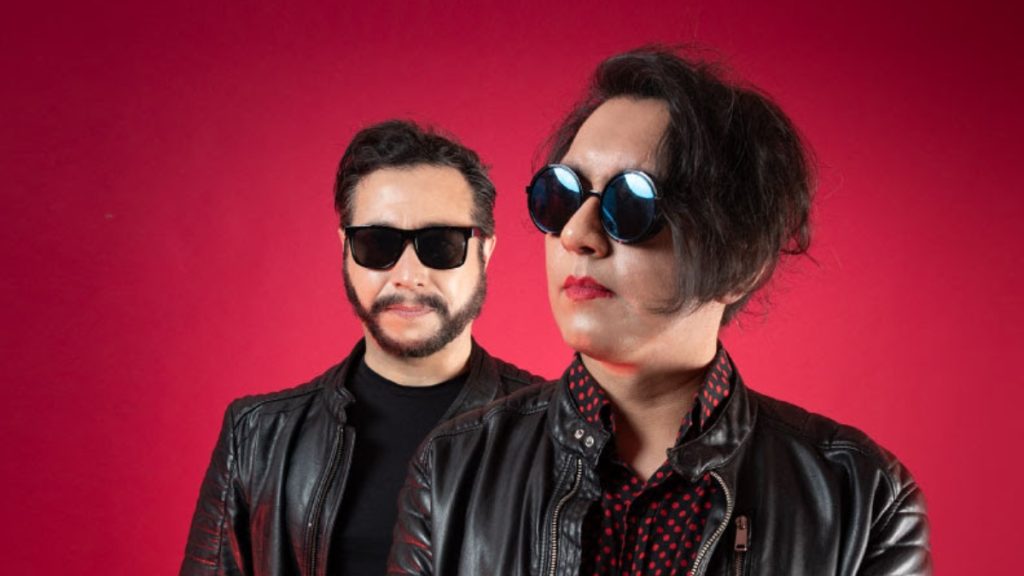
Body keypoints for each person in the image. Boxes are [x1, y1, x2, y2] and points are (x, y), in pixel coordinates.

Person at [388, 48, 931, 575]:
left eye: (631, 203)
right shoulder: (452, 470)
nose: (576, 234)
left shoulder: (863, 500)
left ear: (741, 261)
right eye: (561, 195)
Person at [180, 120, 543, 576]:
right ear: (345, 249)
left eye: (440, 244)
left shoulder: (557, 431)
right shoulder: (255, 436)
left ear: (485, 252)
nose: (408, 276)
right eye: (377, 243)